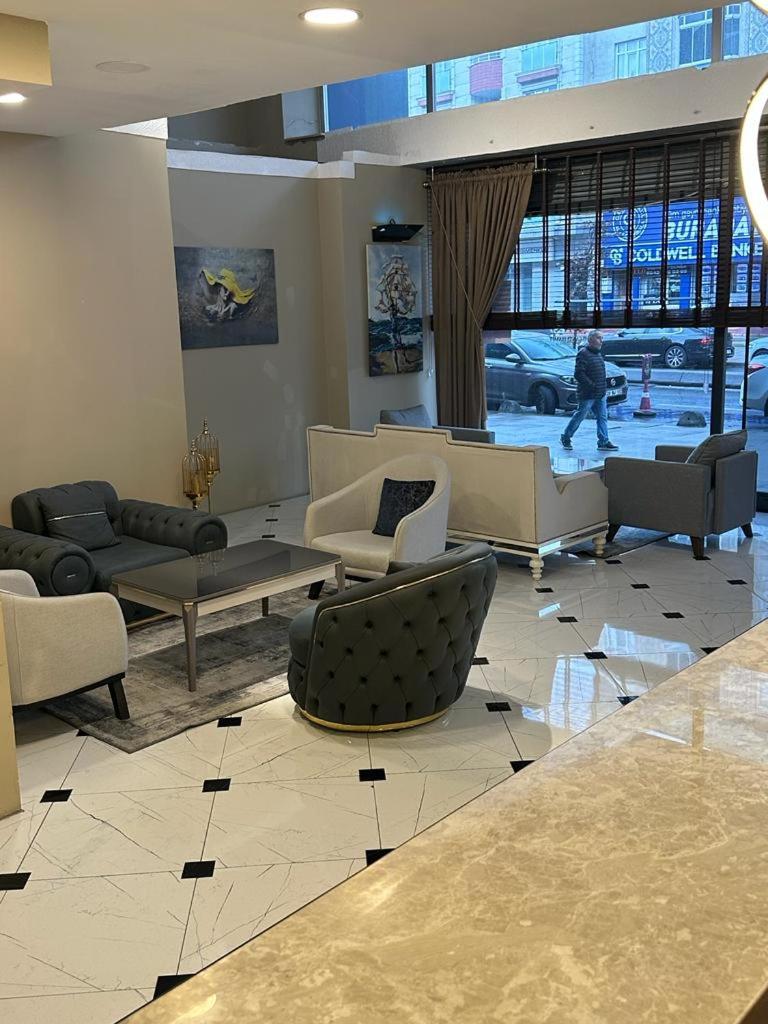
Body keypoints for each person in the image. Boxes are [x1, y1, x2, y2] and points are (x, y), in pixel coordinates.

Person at [560, 331, 619, 451]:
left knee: (602, 417)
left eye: (602, 338)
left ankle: (603, 441)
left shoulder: (598, 354)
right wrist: (592, 385)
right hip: (588, 394)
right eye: (599, 338)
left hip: (600, 393)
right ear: (591, 340)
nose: (601, 341)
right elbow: (578, 374)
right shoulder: (583, 354)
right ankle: (566, 436)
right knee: (580, 415)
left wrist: (602, 387)